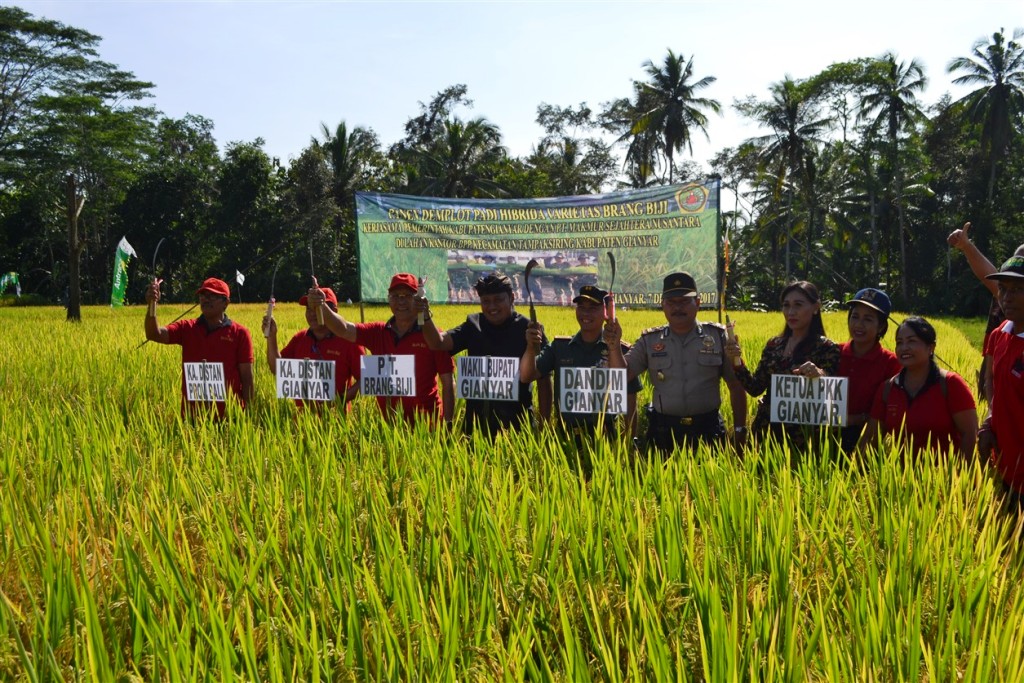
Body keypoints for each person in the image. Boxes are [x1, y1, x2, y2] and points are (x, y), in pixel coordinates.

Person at [606, 272, 747, 453]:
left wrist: (739, 430)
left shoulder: (718, 336)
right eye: (671, 302)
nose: (677, 307)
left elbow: (736, 386)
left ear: (697, 302)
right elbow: (621, 377)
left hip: (707, 429)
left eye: (684, 301)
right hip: (663, 431)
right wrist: (614, 345)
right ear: (662, 305)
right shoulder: (650, 340)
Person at [521, 285, 642, 471]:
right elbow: (527, 375)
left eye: (592, 308)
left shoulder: (619, 350)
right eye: (581, 307)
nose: (586, 313)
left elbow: (630, 399)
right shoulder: (560, 347)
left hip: (606, 440)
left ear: (605, 312)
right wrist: (530, 347)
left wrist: (628, 446)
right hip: (566, 440)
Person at [307, 273, 454, 425]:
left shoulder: (433, 336)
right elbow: (344, 329)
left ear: (417, 299)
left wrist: (448, 424)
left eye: (407, 295)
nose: (401, 301)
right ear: (389, 299)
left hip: (429, 425)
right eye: (395, 296)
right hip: (390, 427)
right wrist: (322, 305)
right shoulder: (378, 332)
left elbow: (448, 384)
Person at [419, 273, 551, 434]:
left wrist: (545, 425)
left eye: (498, 300)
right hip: (475, 427)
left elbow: (544, 379)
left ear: (512, 298)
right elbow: (437, 343)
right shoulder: (473, 325)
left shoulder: (529, 329)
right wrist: (423, 315)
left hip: (517, 427)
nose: (492, 307)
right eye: (486, 301)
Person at [725, 280, 840, 452]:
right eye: (786, 305)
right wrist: (737, 361)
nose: (791, 312)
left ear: (816, 307)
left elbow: (834, 395)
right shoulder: (774, 345)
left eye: (798, 305)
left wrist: (820, 375)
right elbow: (755, 387)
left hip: (804, 439)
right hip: (765, 433)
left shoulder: (827, 348)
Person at [859, 317, 977, 458]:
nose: (904, 348)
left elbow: (970, 434)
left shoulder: (951, 384)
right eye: (899, 342)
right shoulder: (887, 389)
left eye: (911, 341)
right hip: (901, 477)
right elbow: (870, 439)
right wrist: (852, 471)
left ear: (930, 348)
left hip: (947, 476)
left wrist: (959, 476)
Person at [144, 276, 254, 417]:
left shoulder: (240, 334)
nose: (206, 299)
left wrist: (249, 415)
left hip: (230, 417)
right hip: (192, 418)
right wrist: (152, 304)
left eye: (212, 295)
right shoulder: (187, 328)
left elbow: (247, 378)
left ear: (225, 303)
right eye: (203, 295)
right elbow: (154, 334)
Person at [263, 286, 364, 409]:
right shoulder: (300, 339)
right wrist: (272, 337)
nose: (312, 314)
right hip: (301, 421)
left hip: (337, 421)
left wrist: (339, 401)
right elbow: (277, 369)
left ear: (334, 312)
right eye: (309, 309)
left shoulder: (349, 341)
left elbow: (364, 380)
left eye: (318, 308)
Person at [980, 256, 1024, 505]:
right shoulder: (1000, 334)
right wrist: (990, 419)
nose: (1007, 297)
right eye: (1004, 289)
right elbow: (991, 379)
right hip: (1006, 467)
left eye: (1018, 290)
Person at [836, 288, 902, 453]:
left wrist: (855, 419)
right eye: (855, 316)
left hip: (866, 439)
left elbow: (890, 411)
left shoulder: (891, 363)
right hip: (823, 436)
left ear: (881, 327)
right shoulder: (832, 352)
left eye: (868, 319)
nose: (859, 324)